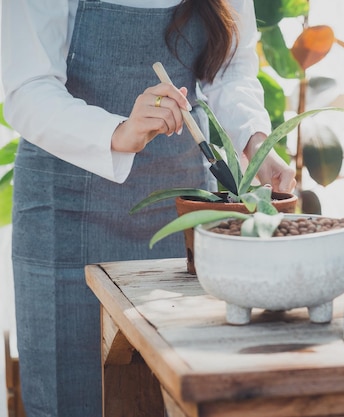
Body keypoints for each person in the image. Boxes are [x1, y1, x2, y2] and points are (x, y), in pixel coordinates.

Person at [1, 0, 296, 415]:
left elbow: (230, 68)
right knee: (70, 395)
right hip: (63, 214)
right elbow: (27, 87)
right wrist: (118, 132)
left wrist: (255, 141)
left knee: (175, 387)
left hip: (180, 207)